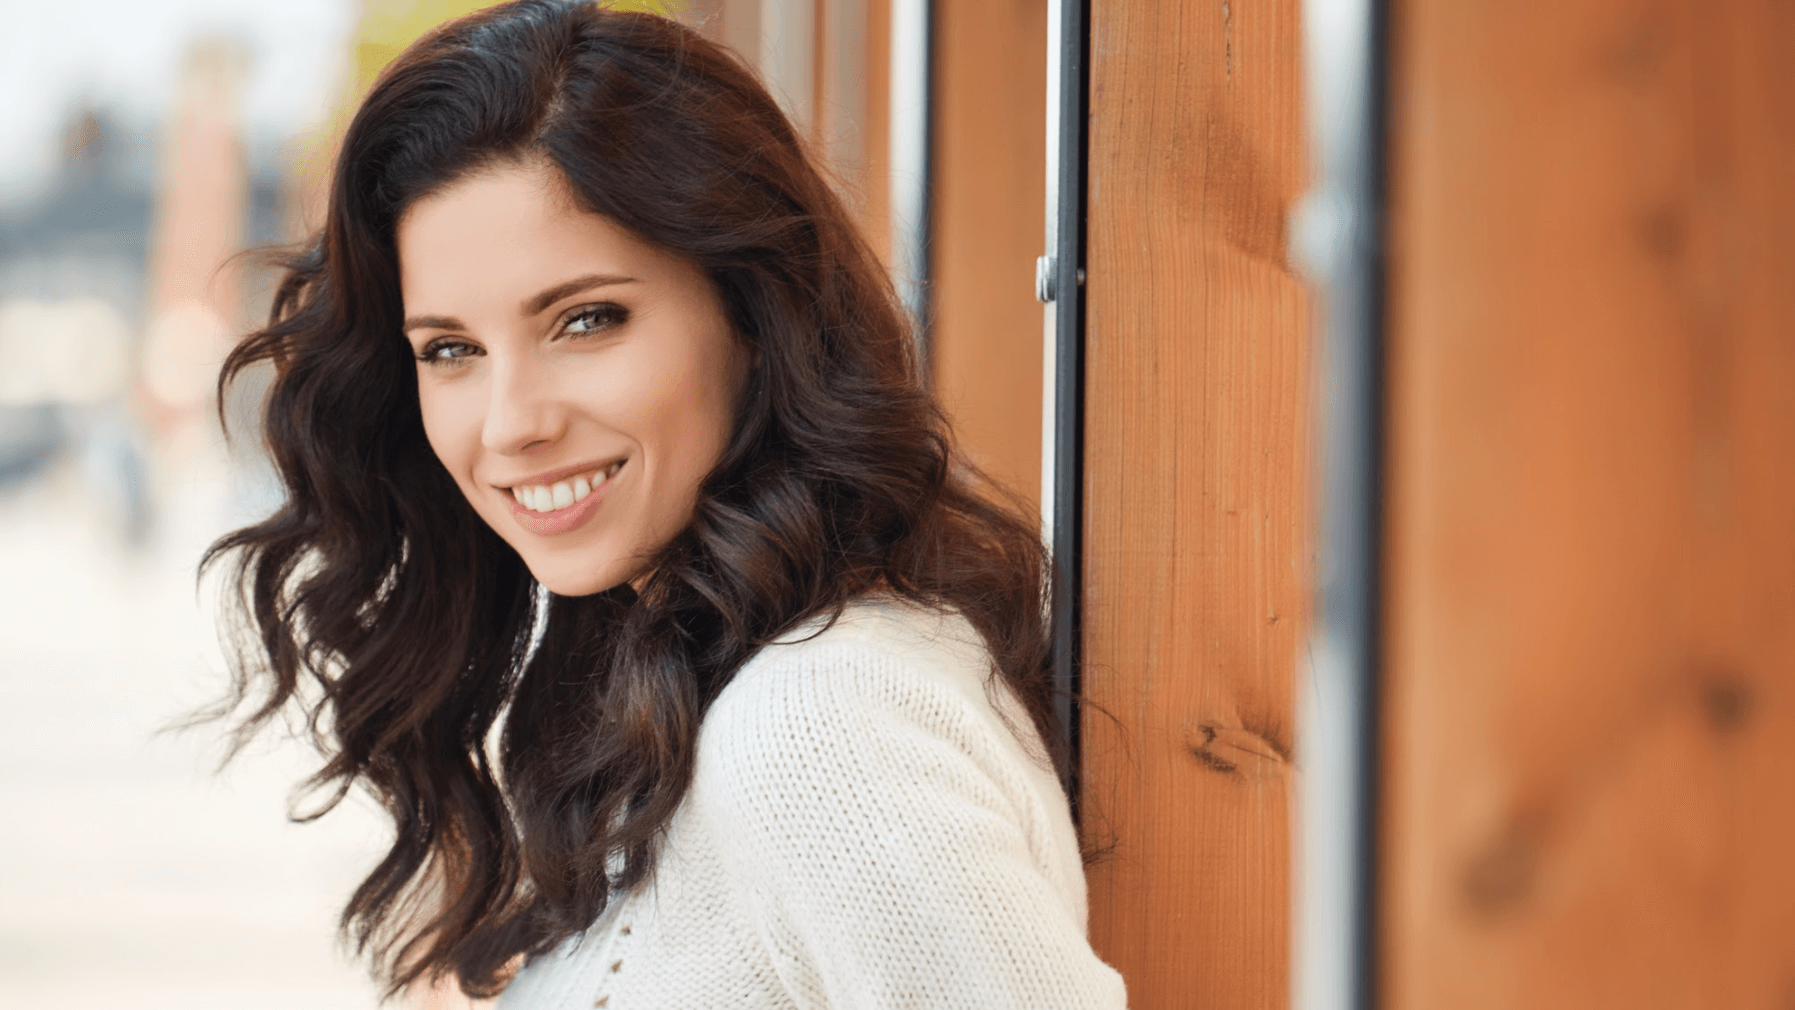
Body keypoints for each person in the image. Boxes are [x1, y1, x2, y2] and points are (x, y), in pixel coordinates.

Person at [206, 2, 1127, 1006]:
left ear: (750, 311)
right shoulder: (682, 677)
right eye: (451, 350)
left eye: (585, 319)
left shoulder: (822, 721)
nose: (511, 423)